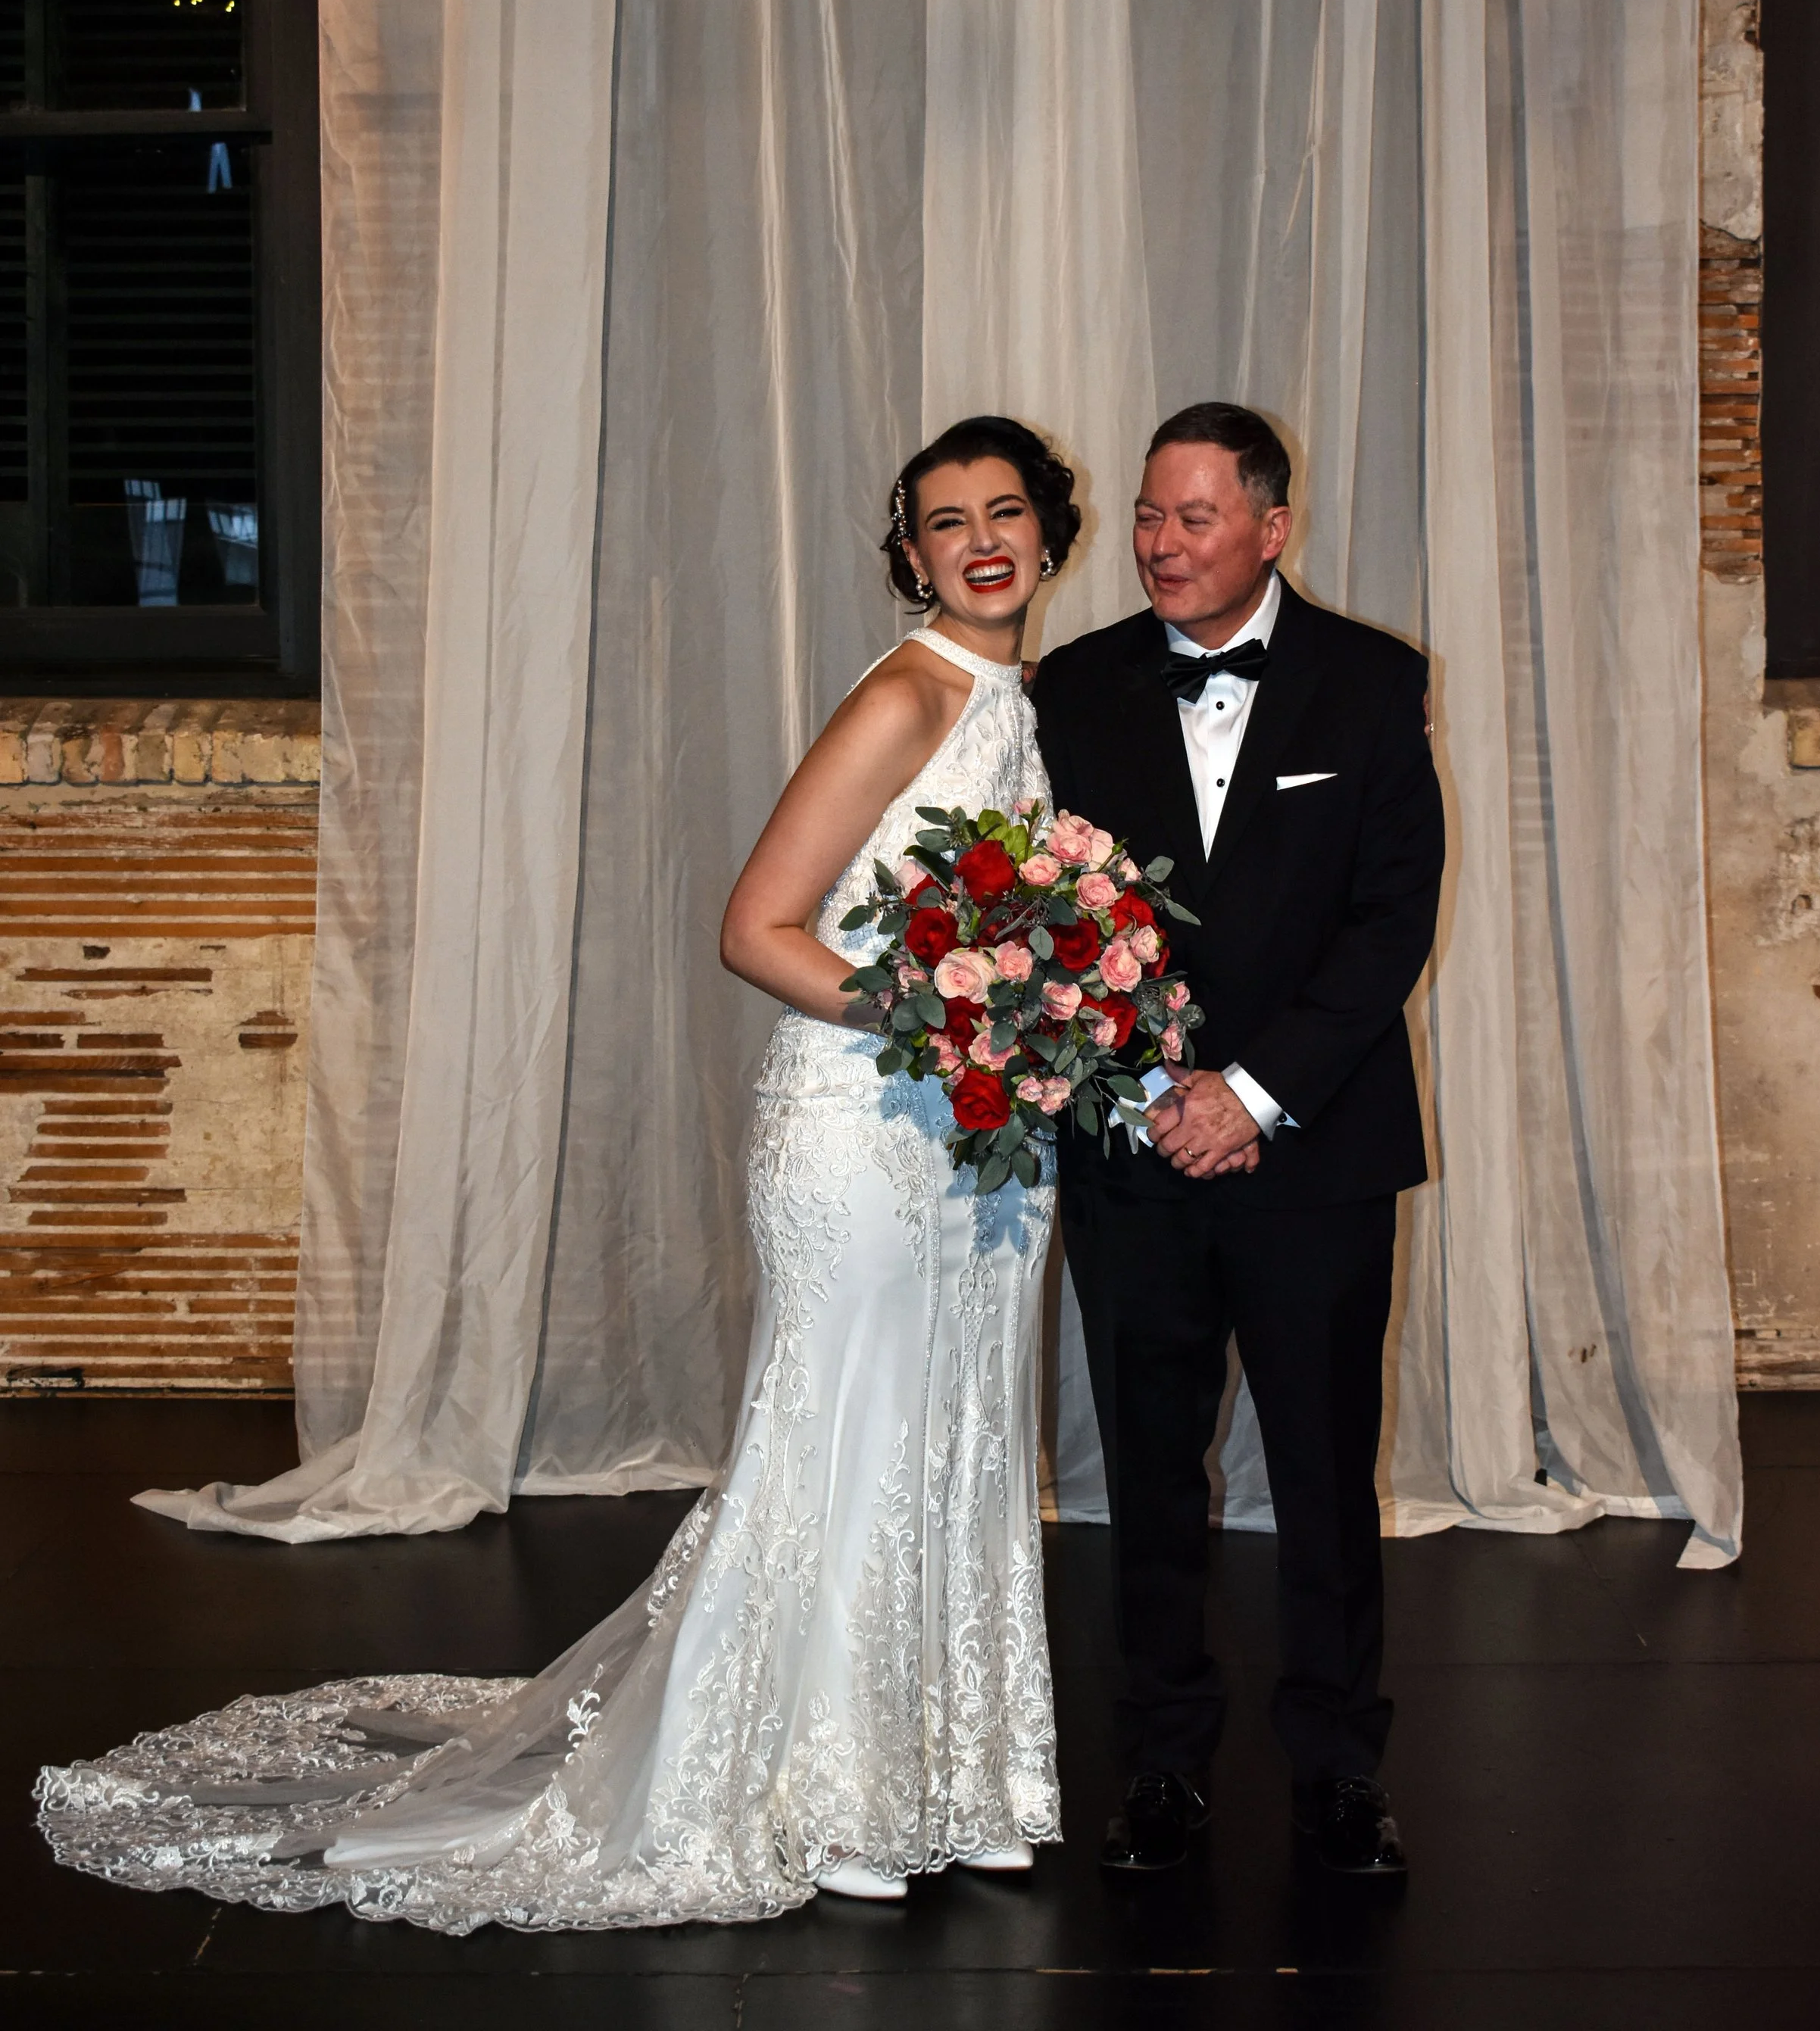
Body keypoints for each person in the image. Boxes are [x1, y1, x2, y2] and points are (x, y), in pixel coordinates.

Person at [37, 416, 1077, 1932]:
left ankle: (953, 1776)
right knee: (847, 1443)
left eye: (1002, 512)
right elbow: (756, 926)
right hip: (862, 1127)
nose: (977, 539)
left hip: (977, 1137)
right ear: (907, 554)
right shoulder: (907, 696)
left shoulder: (1014, 699)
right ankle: (832, 1784)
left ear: (1048, 531)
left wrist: (1025, 1019)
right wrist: (939, 1015)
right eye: (943, 520)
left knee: (960, 1432)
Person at [1031, 401, 1444, 1882]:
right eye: (1148, 514)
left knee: (1326, 1468)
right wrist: (1152, 1081)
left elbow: (1388, 915)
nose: (1158, 542)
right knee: (1148, 1472)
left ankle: (1338, 1772)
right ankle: (1161, 1765)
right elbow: (1043, 910)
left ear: (1271, 525)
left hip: (1313, 1152)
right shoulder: (1067, 688)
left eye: (1193, 515)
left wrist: (1250, 1090)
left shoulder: (1371, 681)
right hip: (1133, 1150)